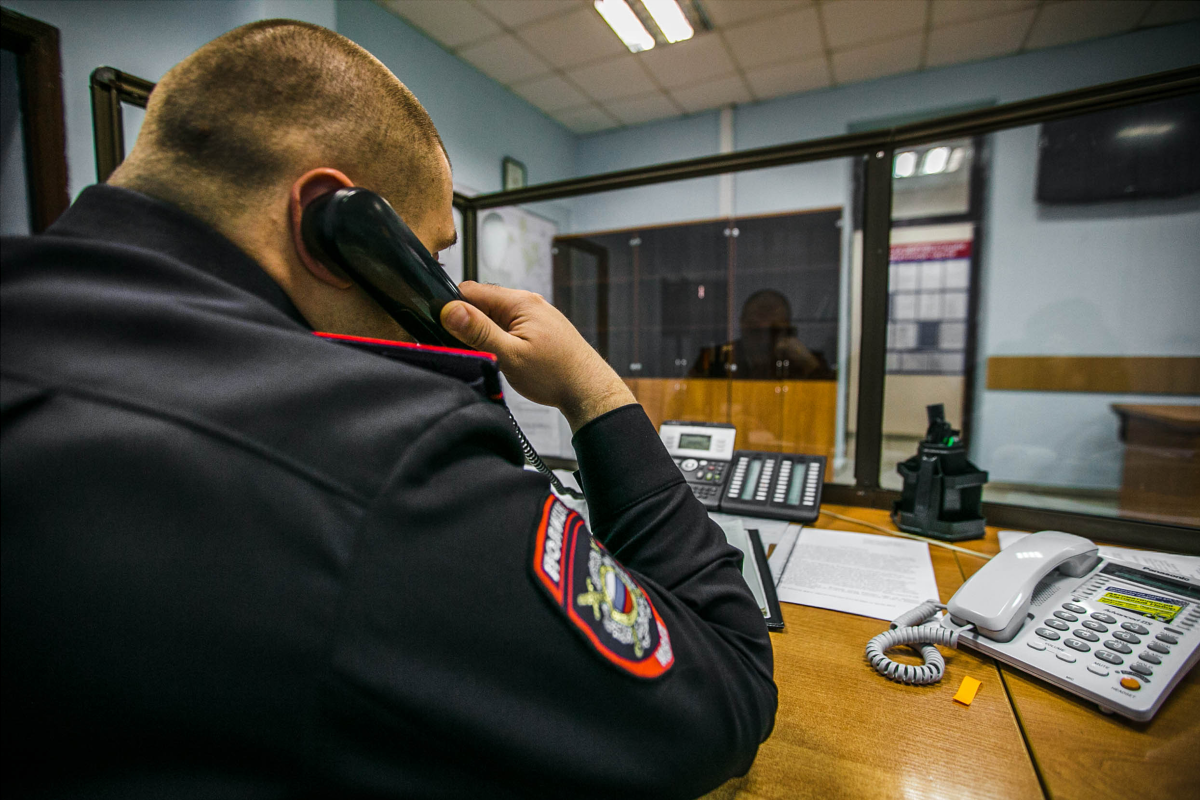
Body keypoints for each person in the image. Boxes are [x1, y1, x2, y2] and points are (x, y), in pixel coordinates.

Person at [0, 19, 776, 799]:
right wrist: (594, 392)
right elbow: (725, 696)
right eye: (427, 259)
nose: (435, 292)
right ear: (332, 228)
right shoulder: (373, 456)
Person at [691, 289, 832, 380]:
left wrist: (808, 362)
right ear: (742, 324)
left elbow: (834, 399)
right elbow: (684, 398)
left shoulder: (803, 361)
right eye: (756, 330)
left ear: (787, 328)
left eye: (772, 331)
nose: (763, 339)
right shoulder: (716, 358)